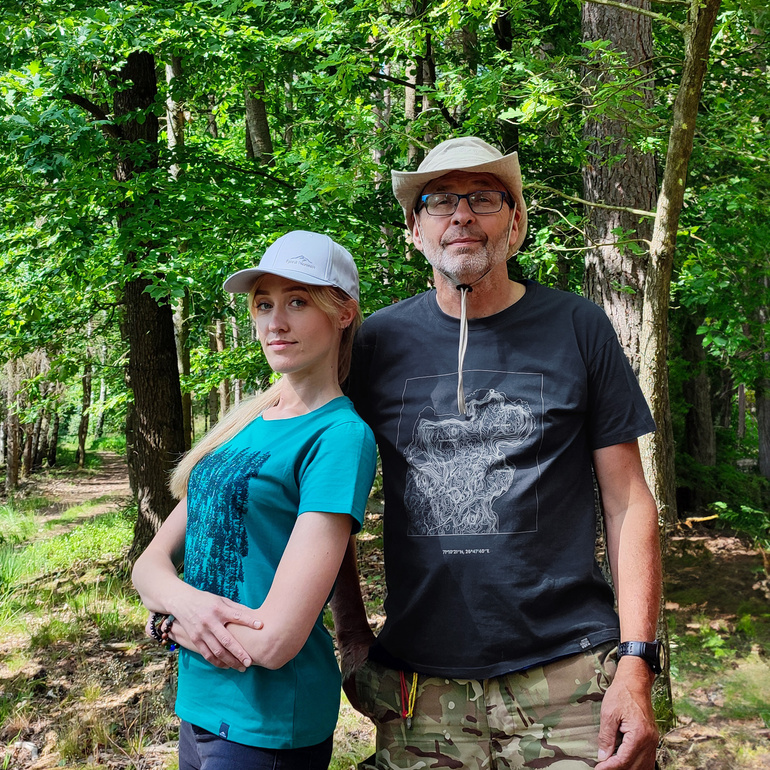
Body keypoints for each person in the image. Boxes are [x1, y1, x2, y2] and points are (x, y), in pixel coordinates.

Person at [329, 137, 663, 770]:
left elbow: (627, 502)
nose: (461, 215)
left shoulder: (578, 327)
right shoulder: (373, 345)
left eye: (483, 197)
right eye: (439, 201)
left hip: (571, 674)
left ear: (517, 221)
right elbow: (328, 497)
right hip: (420, 687)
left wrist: (636, 661)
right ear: (414, 228)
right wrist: (352, 637)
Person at [132, 230, 377, 770]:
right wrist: (181, 610)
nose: (275, 322)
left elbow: (274, 641)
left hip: (268, 722)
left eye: (297, 301)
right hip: (200, 703)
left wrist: (169, 619)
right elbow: (148, 567)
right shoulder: (243, 424)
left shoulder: (339, 436)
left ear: (342, 313)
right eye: (264, 304)